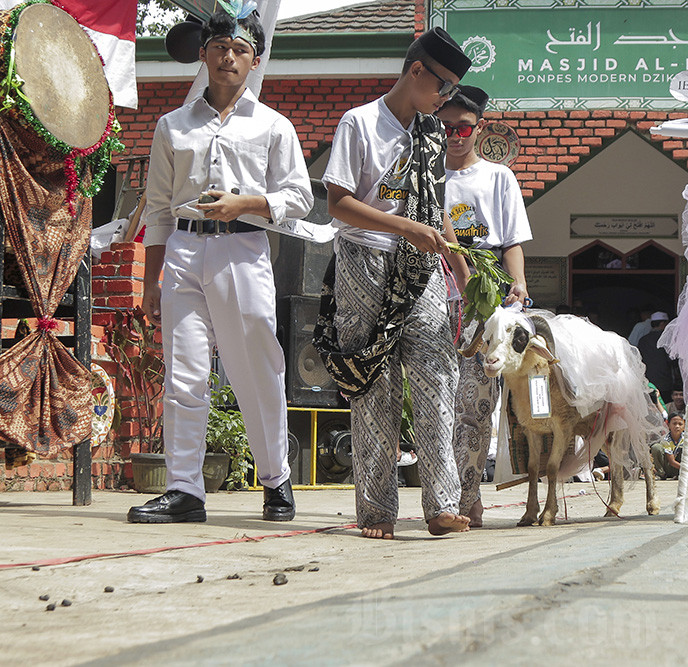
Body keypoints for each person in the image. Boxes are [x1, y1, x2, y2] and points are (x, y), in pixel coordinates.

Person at [128, 8, 312, 523]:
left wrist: (245, 203)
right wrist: (150, 279)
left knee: (257, 367)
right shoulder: (173, 125)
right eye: (219, 48)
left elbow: (298, 196)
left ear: (255, 60)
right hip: (184, 251)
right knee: (184, 373)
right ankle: (185, 490)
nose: (228, 57)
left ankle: (276, 480)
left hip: (242, 248)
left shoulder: (273, 126)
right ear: (204, 54)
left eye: (239, 50)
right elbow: (160, 208)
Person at [313, 28, 473, 539]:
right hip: (364, 258)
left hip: (420, 268)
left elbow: (436, 208)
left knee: (436, 376)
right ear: (417, 70)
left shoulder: (429, 131)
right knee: (374, 387)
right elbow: (337, 202)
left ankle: (442, 503)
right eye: (443, 87)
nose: (445, 100)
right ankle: (377, 510)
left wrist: (462, 268)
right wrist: (405, 226)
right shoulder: (359, 122)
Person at [437, 84, 533, 527]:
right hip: (430, 296)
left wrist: (518, 284)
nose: (455, 135)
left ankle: (469, 494)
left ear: (478, 128)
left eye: (464, 127)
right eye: (447, 126)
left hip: (483, 302)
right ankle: (443, 495)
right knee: (438, 402)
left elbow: (510, 239)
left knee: (476, 404)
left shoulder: (498, 177)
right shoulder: (424, 173)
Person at [636, 311, 680, 400]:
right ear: (662, 323)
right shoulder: (666, 340)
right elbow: (672, 359)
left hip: (648, 382)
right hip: (665, 382)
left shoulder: (643, 340)